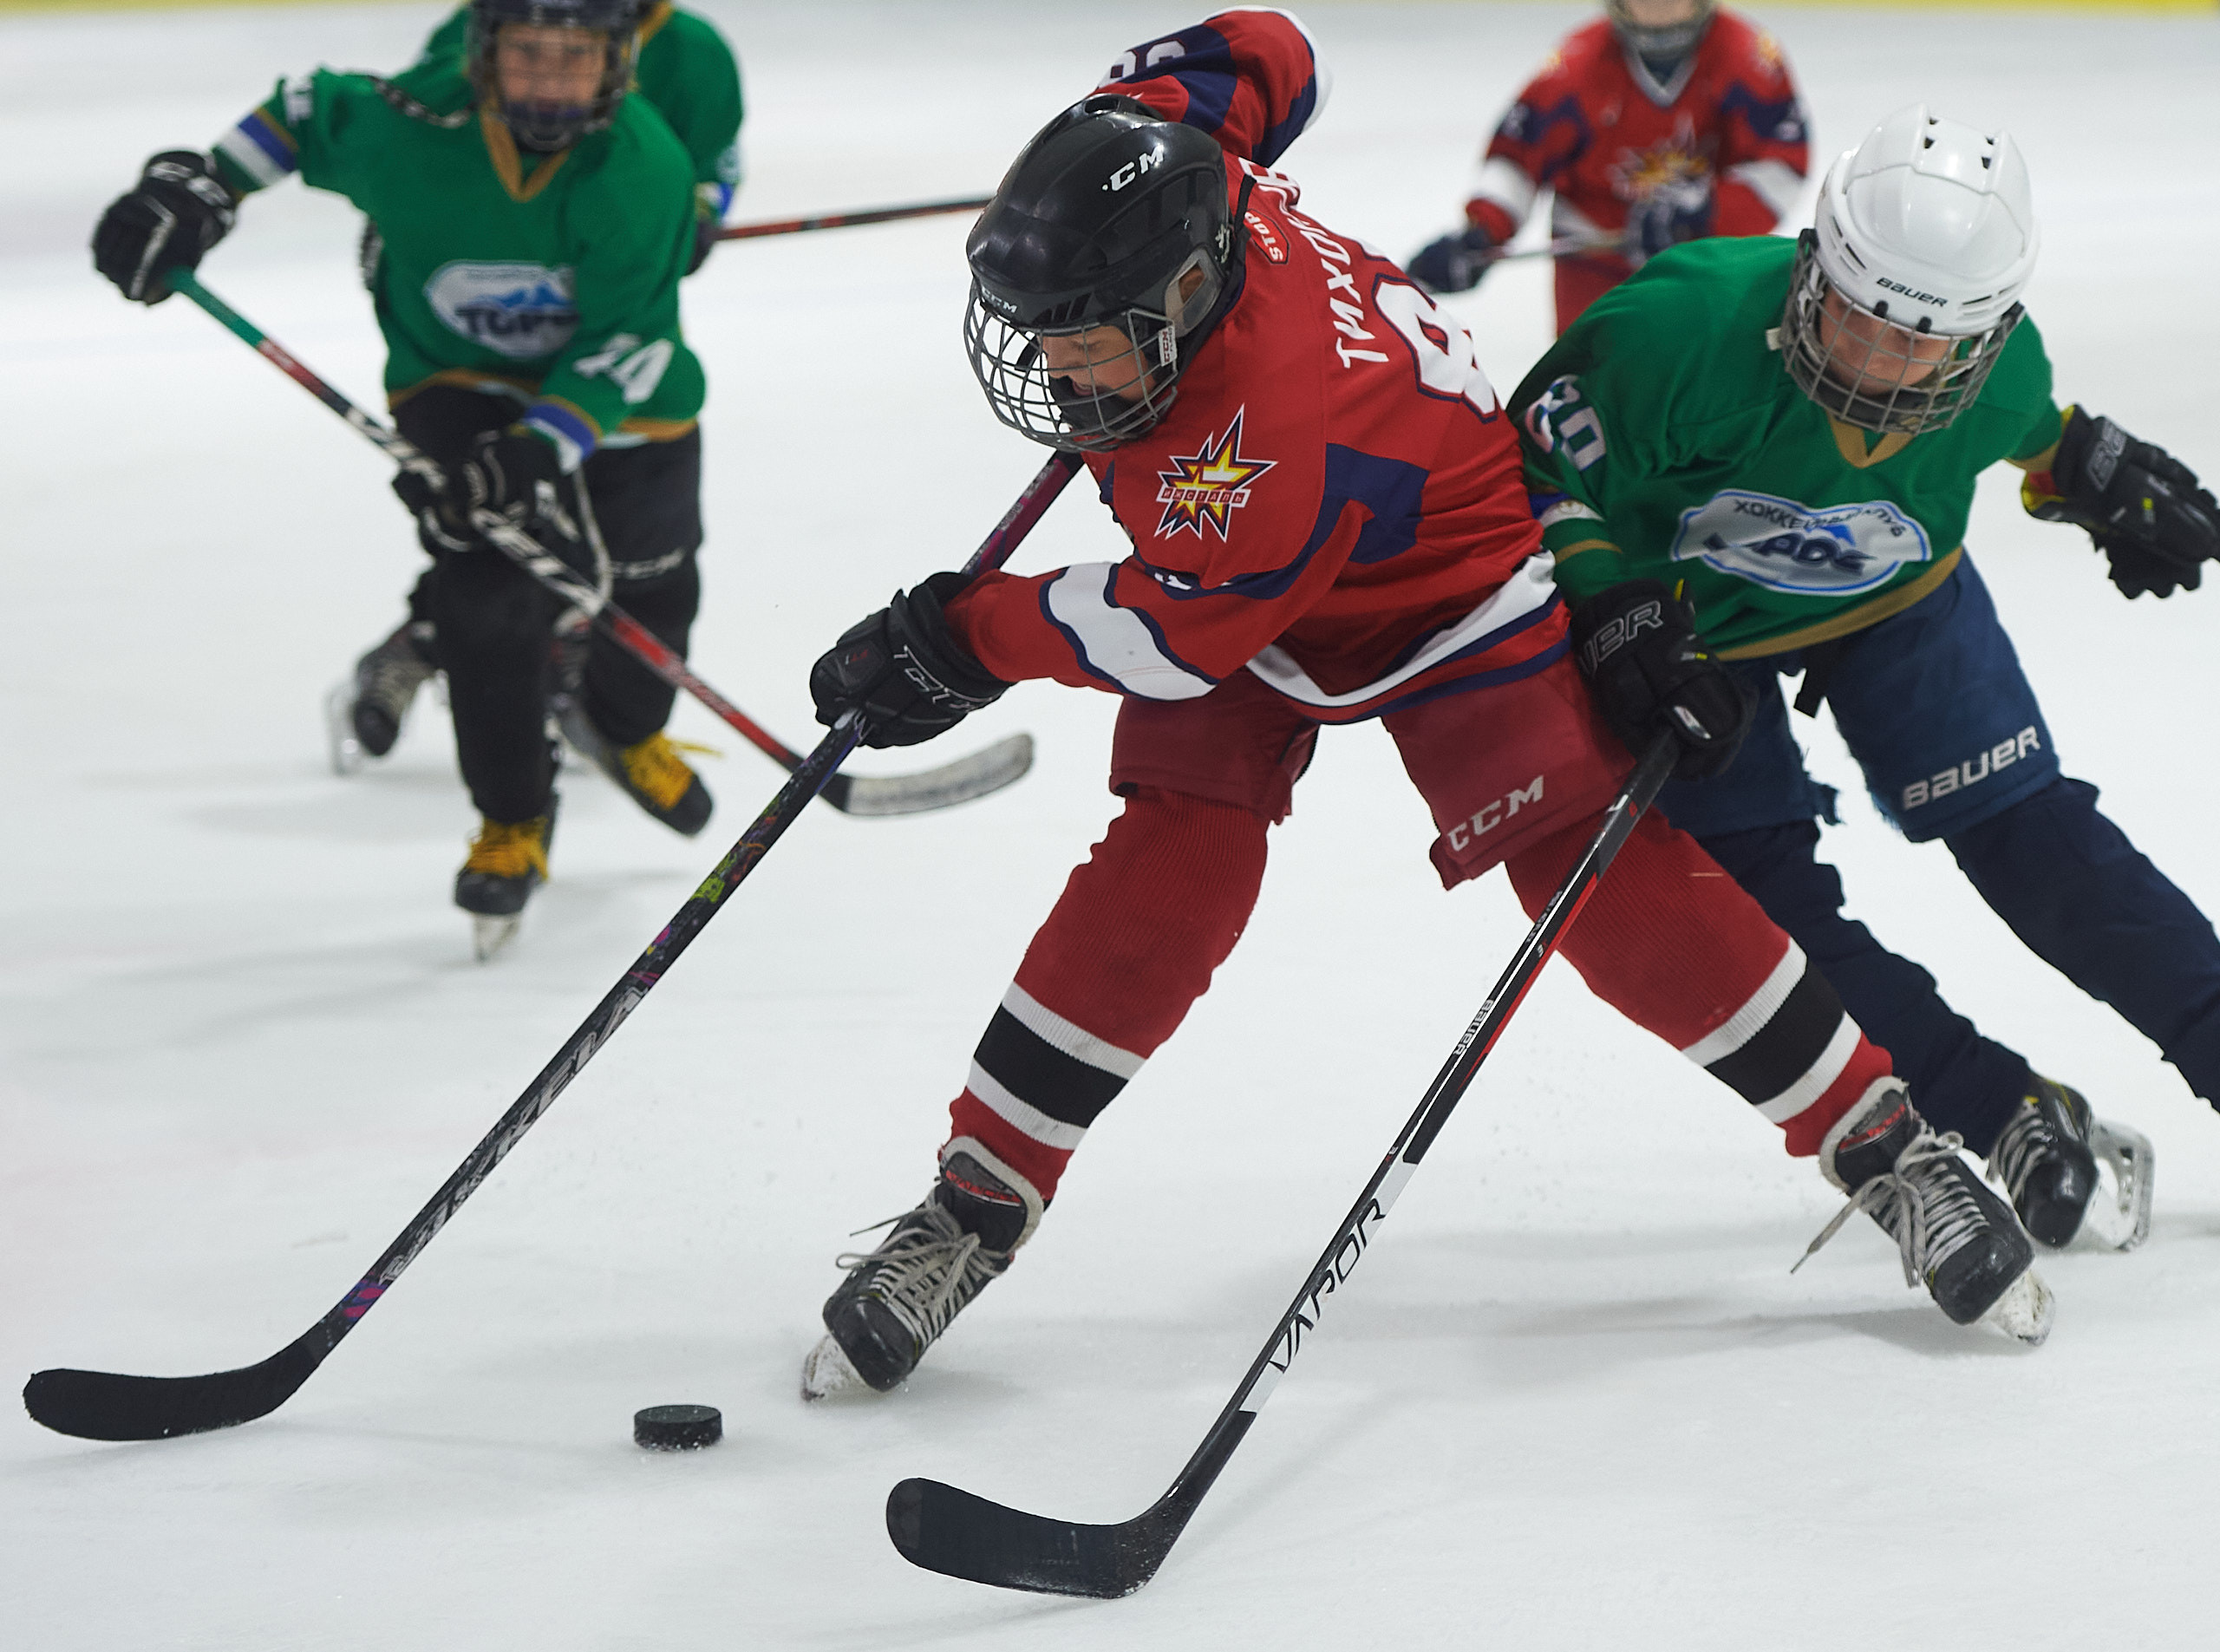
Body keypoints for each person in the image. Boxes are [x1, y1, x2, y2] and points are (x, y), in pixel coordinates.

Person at [796, 12, 2050, 1401]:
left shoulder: (1262, 441)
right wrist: (1125, 132)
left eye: (1085, 343)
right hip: (1252, 570)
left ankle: (1885, 1144)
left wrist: (959, 634)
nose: (1056, 373)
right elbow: (1273, 47)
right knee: (1175, 860)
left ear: (1186, 294)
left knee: (1585, 868)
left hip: (1442, 579)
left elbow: (1167, 638)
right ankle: (976, 1204)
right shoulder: (1193, 168)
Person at [1512, 105, 2220, 1255]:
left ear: (1988, 335)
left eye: (1929, 343)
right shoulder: (1676, 327)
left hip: (1894, 595)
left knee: (2037, 841)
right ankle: (2002, 1107)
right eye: (1863, 320)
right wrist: (1603, 598)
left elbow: (2035, 433)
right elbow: (1530, 459)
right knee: (1766, 912)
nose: (1886, 367)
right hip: (1691, 637)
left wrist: (2090, 474)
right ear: (1813, 272)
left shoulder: (2000, 375)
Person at [92, 0, 715, 953]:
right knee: (486, 601)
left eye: (574, 58)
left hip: (624, 404)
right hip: (455, 383)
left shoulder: (645, 167)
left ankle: (625, 729)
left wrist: (542, 445)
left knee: (652, 581)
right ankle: (512, 815)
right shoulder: (412, 121)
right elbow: (301, 111)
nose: (549, 80)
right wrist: (200, 187)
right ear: (483, 54)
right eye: (528, 54)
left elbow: (629, 341)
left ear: (617, 64)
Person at [336, 0, 742, 822]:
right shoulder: (476, 36)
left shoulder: (691, 60)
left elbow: (713, 172)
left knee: (643, 560)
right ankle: (436, 653)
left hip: (607, 346)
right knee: (498, 552)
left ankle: (610, 714)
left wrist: (696, 217)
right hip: (475, 356)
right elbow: (426, 160)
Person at [1407, 0, 1806, 334]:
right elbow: (1519, 159)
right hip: (1594, 266)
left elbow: (1780, 168)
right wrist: (1481, 232)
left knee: (1699, 393)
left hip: (1703, 260)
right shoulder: (1575, 66)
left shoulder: (1749, 59)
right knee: (1588, 390)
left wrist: (1706, 213)